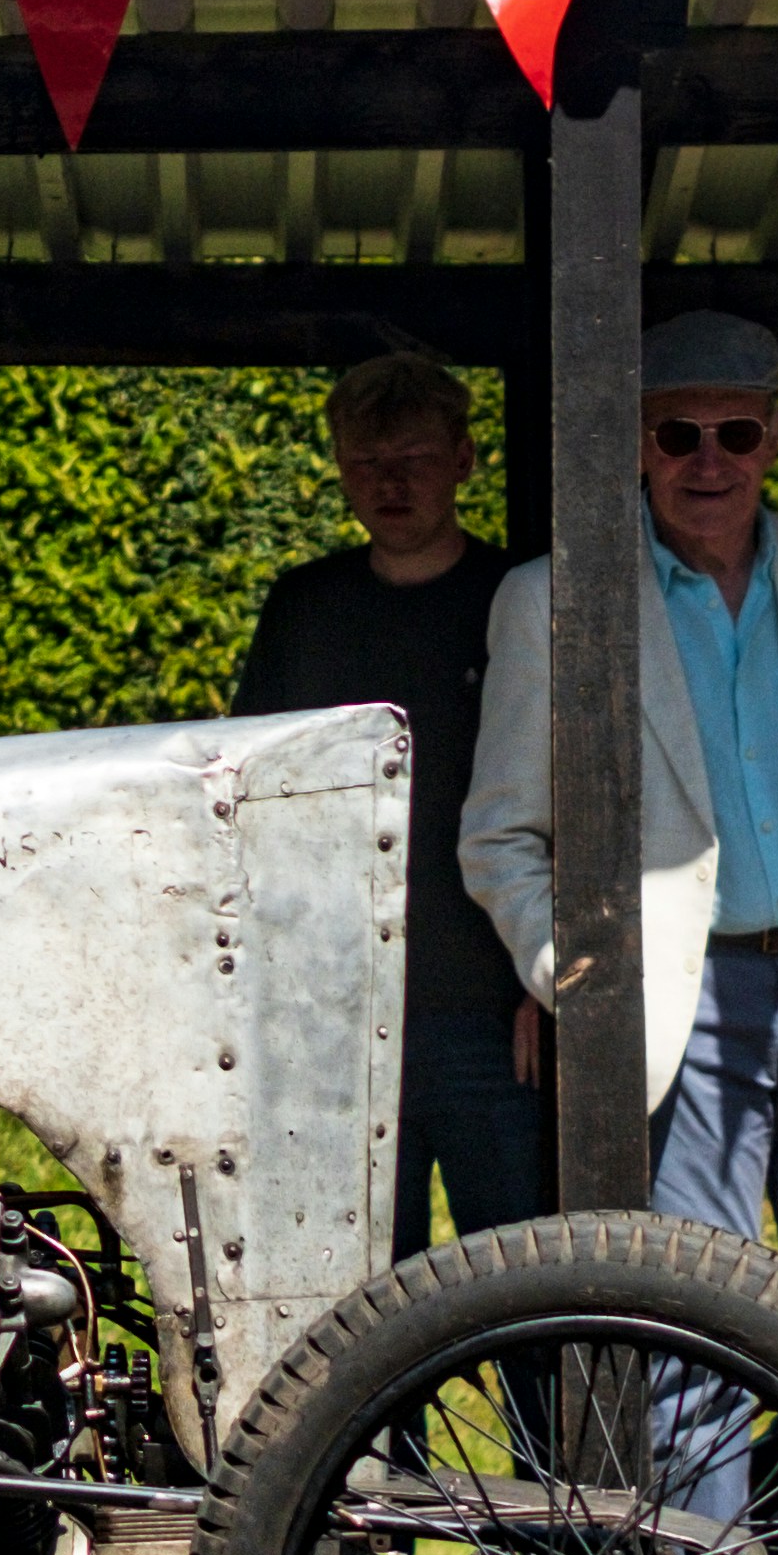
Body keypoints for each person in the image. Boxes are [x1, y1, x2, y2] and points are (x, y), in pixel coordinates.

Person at [458, 307, 778, 1345]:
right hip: (679, 1007)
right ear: (636, 444)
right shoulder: (552, 597)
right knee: (700, 1345)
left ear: (775, 436)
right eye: (675, 433)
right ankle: (709, 1525)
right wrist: (579, 977)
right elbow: (500, 835)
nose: (707, 460)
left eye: (735, 433)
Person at [233, 353, 539, 1254]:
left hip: (490, 1007)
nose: (390, 482)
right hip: (340, 1014)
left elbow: (573, 794)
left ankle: (542, 1412)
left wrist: (547, 975)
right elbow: (253, 796)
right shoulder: (304, 607)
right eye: (366, 463)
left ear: (464, 459)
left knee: (525, 1276)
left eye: (411, 456)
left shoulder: (516, 598)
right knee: (362, 1294)